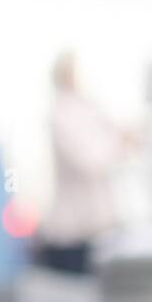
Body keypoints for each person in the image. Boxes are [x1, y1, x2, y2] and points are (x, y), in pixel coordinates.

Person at [35, 51, 138, 274]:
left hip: (99, 230)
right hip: (73, 235)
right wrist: (119, 143)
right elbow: (89, 161)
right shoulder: (60, 113)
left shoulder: (89, 108)